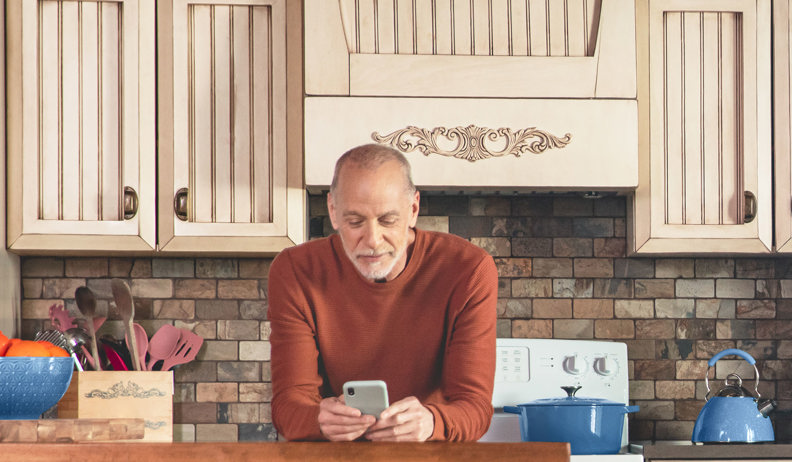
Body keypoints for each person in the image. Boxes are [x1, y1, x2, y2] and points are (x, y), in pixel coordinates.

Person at [269, 143, 498, 442]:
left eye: (388, 220)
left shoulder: (469, 270)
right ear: (333, 212)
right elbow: (288, 406)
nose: (373, 240)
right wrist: (318, 419)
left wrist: (431, 422)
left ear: (413, 209)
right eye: (355, 222)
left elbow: (474, 407)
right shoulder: (295, 271)